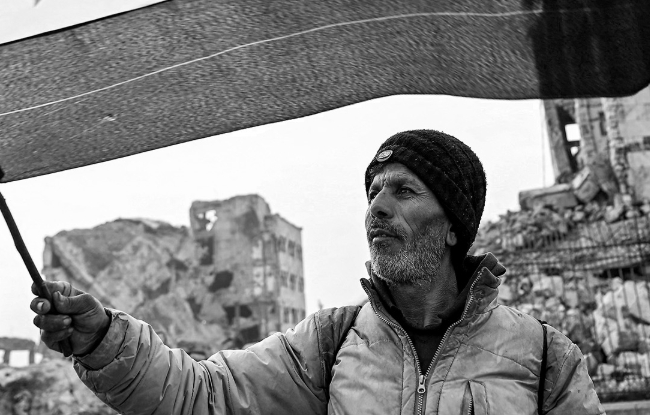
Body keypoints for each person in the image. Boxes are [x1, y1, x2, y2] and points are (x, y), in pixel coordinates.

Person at [31, 129, 602, 414]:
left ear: (454, 225)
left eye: (404, 191)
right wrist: (105, 341)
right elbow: (205, 394)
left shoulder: (546, 358)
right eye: (374, 192)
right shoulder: (329, 343)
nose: (377, 207)